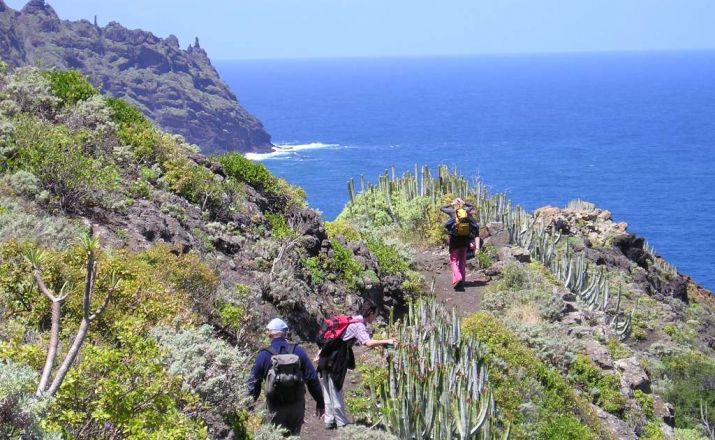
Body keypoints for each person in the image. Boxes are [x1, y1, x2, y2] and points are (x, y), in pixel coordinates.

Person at [315, 300, 395, 430]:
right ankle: (342, 422)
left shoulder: (350, 319)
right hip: (337, 359)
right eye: (374, 315)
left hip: (326, 356)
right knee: (336, 387)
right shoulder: (359, 325)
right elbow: (367, 342)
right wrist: (387, 341)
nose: (374, 318)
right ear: (370, 313)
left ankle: (329, 420)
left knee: (327, 389)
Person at [247, 318, 325, 436]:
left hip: (274, 407)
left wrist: (249, 405)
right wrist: (320, 402)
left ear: (269, 334)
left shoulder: (263, 355)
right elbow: (312, 379)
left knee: (275, 436)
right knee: (294, 436)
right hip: (296, 406)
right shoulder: (299, 352)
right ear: (285, 333)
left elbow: (253, 382)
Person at [441, 198, 479, 290]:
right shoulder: (466, 211)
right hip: (465, 240)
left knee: (454, 261)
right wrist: (464, 202)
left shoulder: (452, 212)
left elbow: (442, 208)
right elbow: (471, 206)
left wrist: (451, 203)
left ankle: (458, 278)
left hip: (455, 240)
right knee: (462, 260)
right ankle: (462, 281)